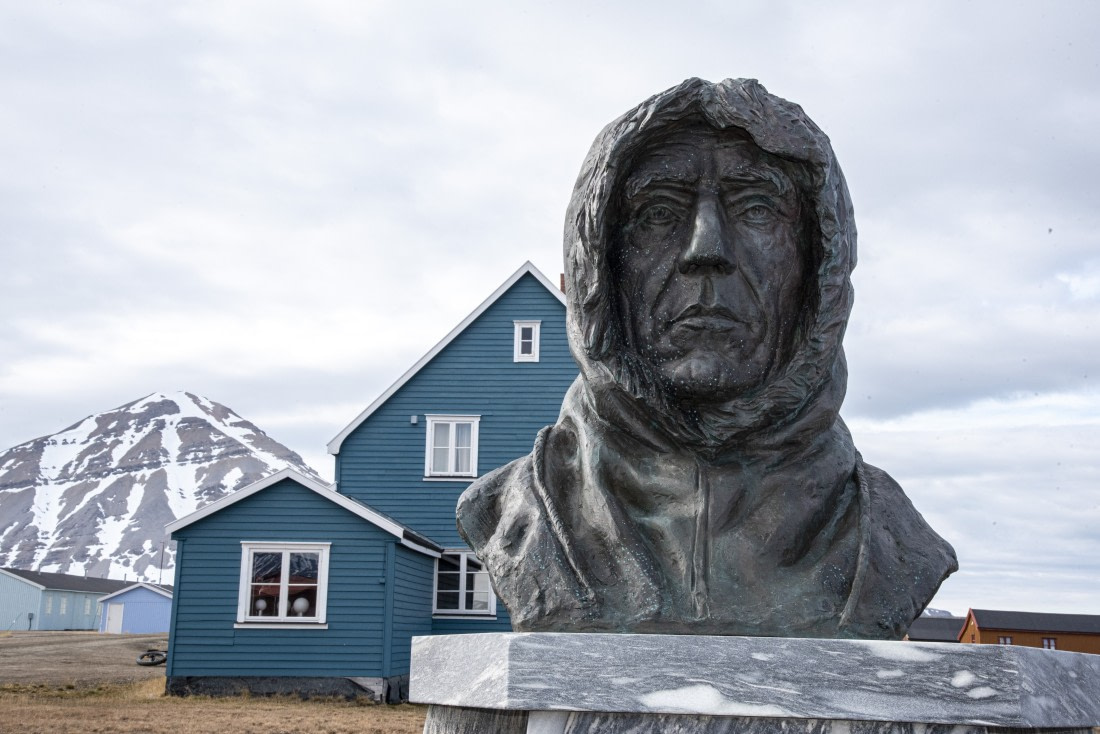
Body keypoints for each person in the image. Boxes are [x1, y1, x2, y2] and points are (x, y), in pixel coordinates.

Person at [457, 78, 957, 639]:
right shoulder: (518, 516)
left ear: (819, 266)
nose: (707, 249)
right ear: (600, 265)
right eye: (658, 213)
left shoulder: (888, 543)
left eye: (757, 210)